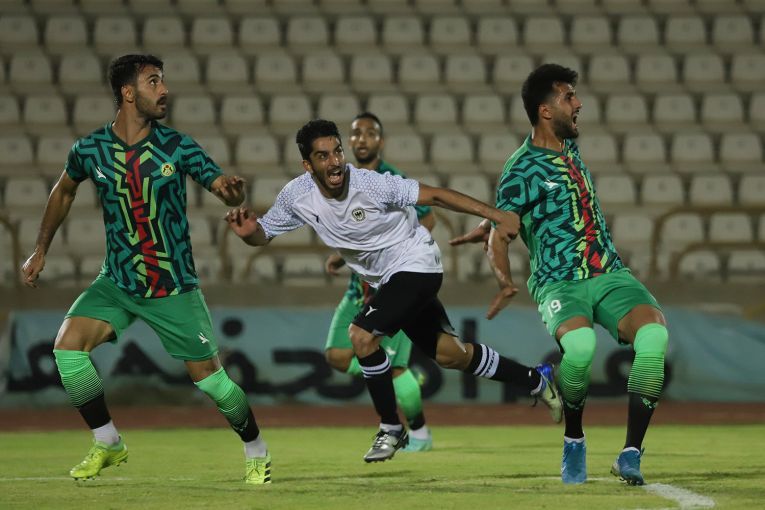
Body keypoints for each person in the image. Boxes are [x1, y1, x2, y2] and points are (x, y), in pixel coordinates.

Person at [226, 119, 562, 464]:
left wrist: (496, 215)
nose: (335, 162)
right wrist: (249, 233)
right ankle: (536, 380)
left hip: (417, 264)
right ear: (307, 165)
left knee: (361, 337)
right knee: (452, 355)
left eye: (337, 152)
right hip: (389, 280)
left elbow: (436, 196)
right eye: (323, 156)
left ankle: (390, 427)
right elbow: (263, 233)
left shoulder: (371, 183)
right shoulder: (296, 196)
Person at [20, 54, 271, 485]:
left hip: (172, 285)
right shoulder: (89, 150)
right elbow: (63, 192)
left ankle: (256, 449)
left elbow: (221, 188)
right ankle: (108, 442)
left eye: (163, 81)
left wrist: (232, 196)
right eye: (154, 81)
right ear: (128, 93)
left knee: (213, 383)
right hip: (117, 281)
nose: (164, 89)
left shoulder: (178, 146)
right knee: (67, 349)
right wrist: (40, 249)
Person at [451, 64, 668, 486]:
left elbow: (511, 213)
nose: (578, 103)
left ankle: (630, 453)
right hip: (559, 282)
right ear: (545, 110)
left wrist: (495, 221)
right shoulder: (520, 170)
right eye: (569, 97)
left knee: (655, 337)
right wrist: (505, 280)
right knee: (581, 347)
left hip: (609, 272)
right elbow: (501, 231)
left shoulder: (568, 146)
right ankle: (574, 440)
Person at [323, 112, 436, 452]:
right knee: (336, 355)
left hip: (392, 290)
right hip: (357, 290)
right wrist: (342, 255)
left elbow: (429, 218)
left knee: (396, 370)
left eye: (370, 133)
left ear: (380, 141)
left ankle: (420, 434)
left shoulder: (392, 178)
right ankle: (394, 375)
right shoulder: (345, 181)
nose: (362, 139)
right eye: (356, 133)